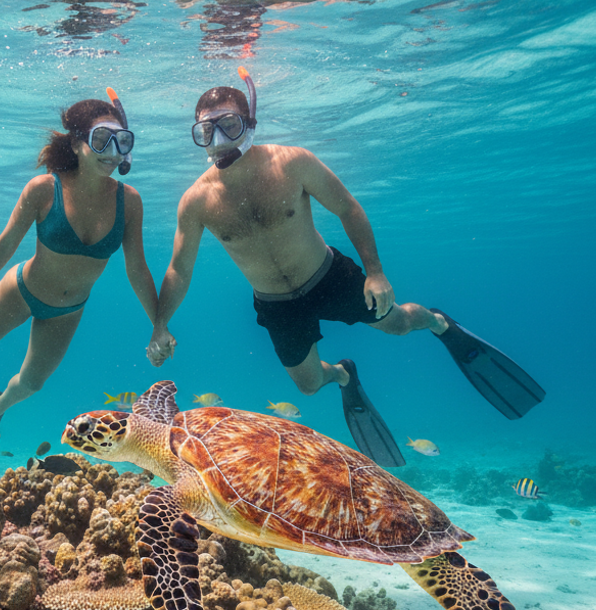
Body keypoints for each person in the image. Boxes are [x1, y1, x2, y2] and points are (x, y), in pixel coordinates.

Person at [147, 68, 543, 467]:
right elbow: (179, 269)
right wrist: (160, 325)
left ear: (249, 123)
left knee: (399, 325)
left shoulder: (292, 163)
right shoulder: (195, 201)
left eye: (228, 126)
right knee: (307, 386)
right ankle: (343, 375)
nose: (218, 142)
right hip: (276, 305)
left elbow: (347, 207)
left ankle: (438, 322)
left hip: (329, 277)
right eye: (206, 132)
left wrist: (375, 271)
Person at [0, 91, 159, 474]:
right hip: (23, 291)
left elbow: (137, 268)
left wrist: (159, 325)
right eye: (100, 140)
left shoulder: (131, 201)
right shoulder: (45, 189)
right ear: (77, 144)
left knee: (31, 384)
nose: (112, 152)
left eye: (121, 141)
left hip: (67, 311)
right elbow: (6, 246)